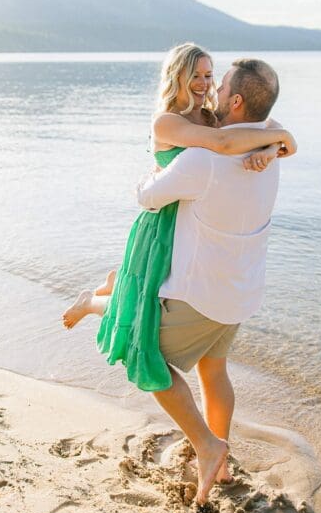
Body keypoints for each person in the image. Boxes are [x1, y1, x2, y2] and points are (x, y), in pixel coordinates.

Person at [61, 42, 296, 399]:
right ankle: (91, 302)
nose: (205, 84)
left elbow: (266, 124)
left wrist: (274, 144)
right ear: (178, 77)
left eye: (210, 75)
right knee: (137, 314)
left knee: (143, 298)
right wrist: (277, 140)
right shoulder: (170, 121)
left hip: (185, 221)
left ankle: (114, 281)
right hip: (161, 221)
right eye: (196, 76)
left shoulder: (211, 114)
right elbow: (220, 143)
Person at [134, 57, 287, 505]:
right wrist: (280, 141)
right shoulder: (269, 154)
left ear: (236, 101)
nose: (214, 91)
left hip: (199, 296)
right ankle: (218, 460)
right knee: (213, 369)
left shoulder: (201, 160)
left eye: (220, 87)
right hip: (241, 294)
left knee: (142, 357)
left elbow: (148, 198)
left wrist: (154, 175)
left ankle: (206, 444)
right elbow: (273, 132)